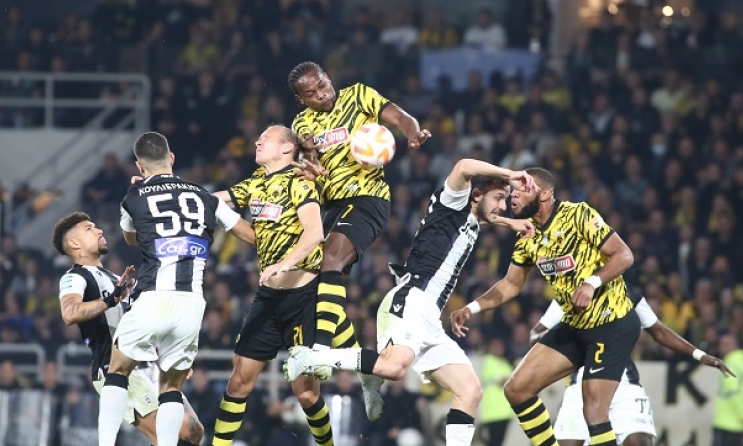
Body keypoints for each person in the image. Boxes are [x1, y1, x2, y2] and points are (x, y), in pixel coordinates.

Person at [284, 159, 537, 446]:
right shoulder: (452, 203)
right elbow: (464, 165)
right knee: (394, 368)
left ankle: (368, 375)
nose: (503, 206)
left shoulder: (470, 218)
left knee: (469, 390)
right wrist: (511, 174)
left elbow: (485, 216)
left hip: (430, 318)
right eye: (499, 198)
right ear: (475, 194)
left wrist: (510, 222)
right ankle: (310, 357)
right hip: (411, 299)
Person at [450, 167, 641, 446]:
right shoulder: (527, 233)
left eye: (521, 191)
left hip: (612, 323)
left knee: (594, 411)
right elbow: (512, 283)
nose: (512, 197)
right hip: (575, 325)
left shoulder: (578, 214)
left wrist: (591, 283)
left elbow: (624, 255)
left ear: (544, 194)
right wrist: (472, 308)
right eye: (512, 192)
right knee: (517, 389)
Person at [98, 132, 256, 446]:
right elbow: (249, 235)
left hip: (154, 297)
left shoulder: (133, 197)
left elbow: (131, 239)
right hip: (191, 304)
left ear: (139, 166)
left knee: (116, 371)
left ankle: (104, 443)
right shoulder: (206, 196)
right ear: (171, 158)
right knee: (171, 388)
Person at [209, 125, 359, 446]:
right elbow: (214, 200)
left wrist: (285, 262)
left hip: (304, 297)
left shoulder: (300, 181)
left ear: (287, 148)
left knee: (305, 395)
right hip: (268, 299)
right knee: (238, 383)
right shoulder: (256, 181)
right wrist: (165, 188)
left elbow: (315, 232)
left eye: (265, 138)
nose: (257, 141)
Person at [288, 61, 431, 356]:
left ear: (328, 78)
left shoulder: (358, 95)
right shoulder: (301, 123)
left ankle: (320, 350)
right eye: (311, 94)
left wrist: (412, 133)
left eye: (322, 85)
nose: (321, 94)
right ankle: (359, 360)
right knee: (319, 283)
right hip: (330, 206)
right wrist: (311, 164)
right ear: (300, 99)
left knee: (331, 259)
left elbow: (400, 117)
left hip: (368, 198)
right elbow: (308, 153)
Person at [52, 211, 205, 446]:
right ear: (74, 243)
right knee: (169, 436)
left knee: (193, 431)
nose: (99, 230)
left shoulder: (117, 278)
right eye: (89, 228)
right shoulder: (75, 277)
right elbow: (69, 312)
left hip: (149, 363)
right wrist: (109, 300)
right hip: (116, 367)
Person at [532, 298, 733, 446]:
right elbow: (536, 334)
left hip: (623, 383)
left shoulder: (628, 294)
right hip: (581, 385)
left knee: (639, 442)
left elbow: (659, 331)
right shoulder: (568, 295)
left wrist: (699, 354)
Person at [711, 332, 743, 446]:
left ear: (736, 345)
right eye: (721, 344)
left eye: (726, 344)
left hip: (726, 425)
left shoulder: (729, 366)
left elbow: (733, 394)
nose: (722, 347)